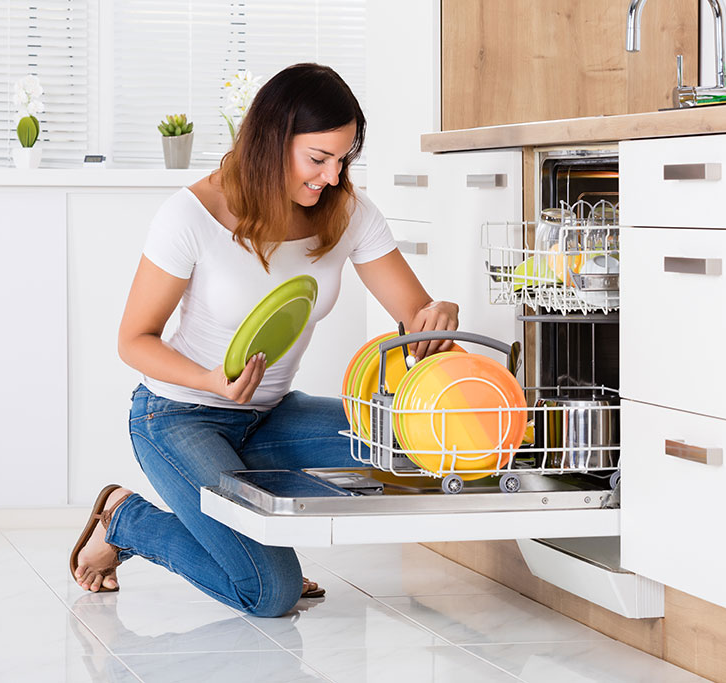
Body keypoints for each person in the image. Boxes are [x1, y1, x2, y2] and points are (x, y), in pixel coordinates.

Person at [68, 63, 459, 617]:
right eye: (318, 159)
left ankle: (241, 534)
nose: (331, 176)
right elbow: (134, 340)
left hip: (271, 417)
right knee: (269, 593)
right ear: (272, 141)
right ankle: (127, 519)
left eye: (343, 159)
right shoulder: (191, 215)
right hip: (180, 416)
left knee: (413, 439)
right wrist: (210, 380)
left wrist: (436, 314)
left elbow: (415, 315)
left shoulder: (348, 212)